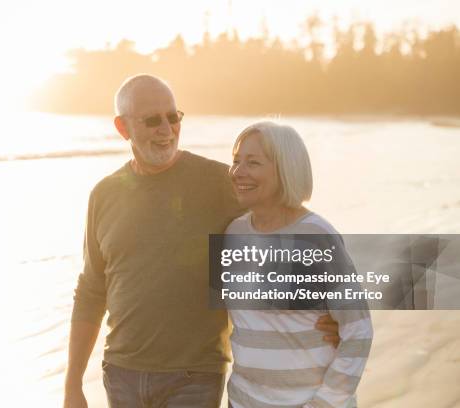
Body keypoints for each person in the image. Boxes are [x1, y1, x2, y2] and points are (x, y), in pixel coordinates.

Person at [63, 74, 341, 408]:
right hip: (120, 371)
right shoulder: (104, 195)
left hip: (195, 375)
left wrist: (338, 310)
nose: (166, 130)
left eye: (173, 117)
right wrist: (73, 384)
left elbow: (293, 228)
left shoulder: (221, 182)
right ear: (123, 128)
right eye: (152, 120)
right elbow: (91, 290)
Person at [224, 122, 373, 408]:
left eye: (253, 163)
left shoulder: (317, 237)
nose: (238, 172)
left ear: (286, 169)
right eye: (236, 161)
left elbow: (358, 330)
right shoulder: (233, 234)